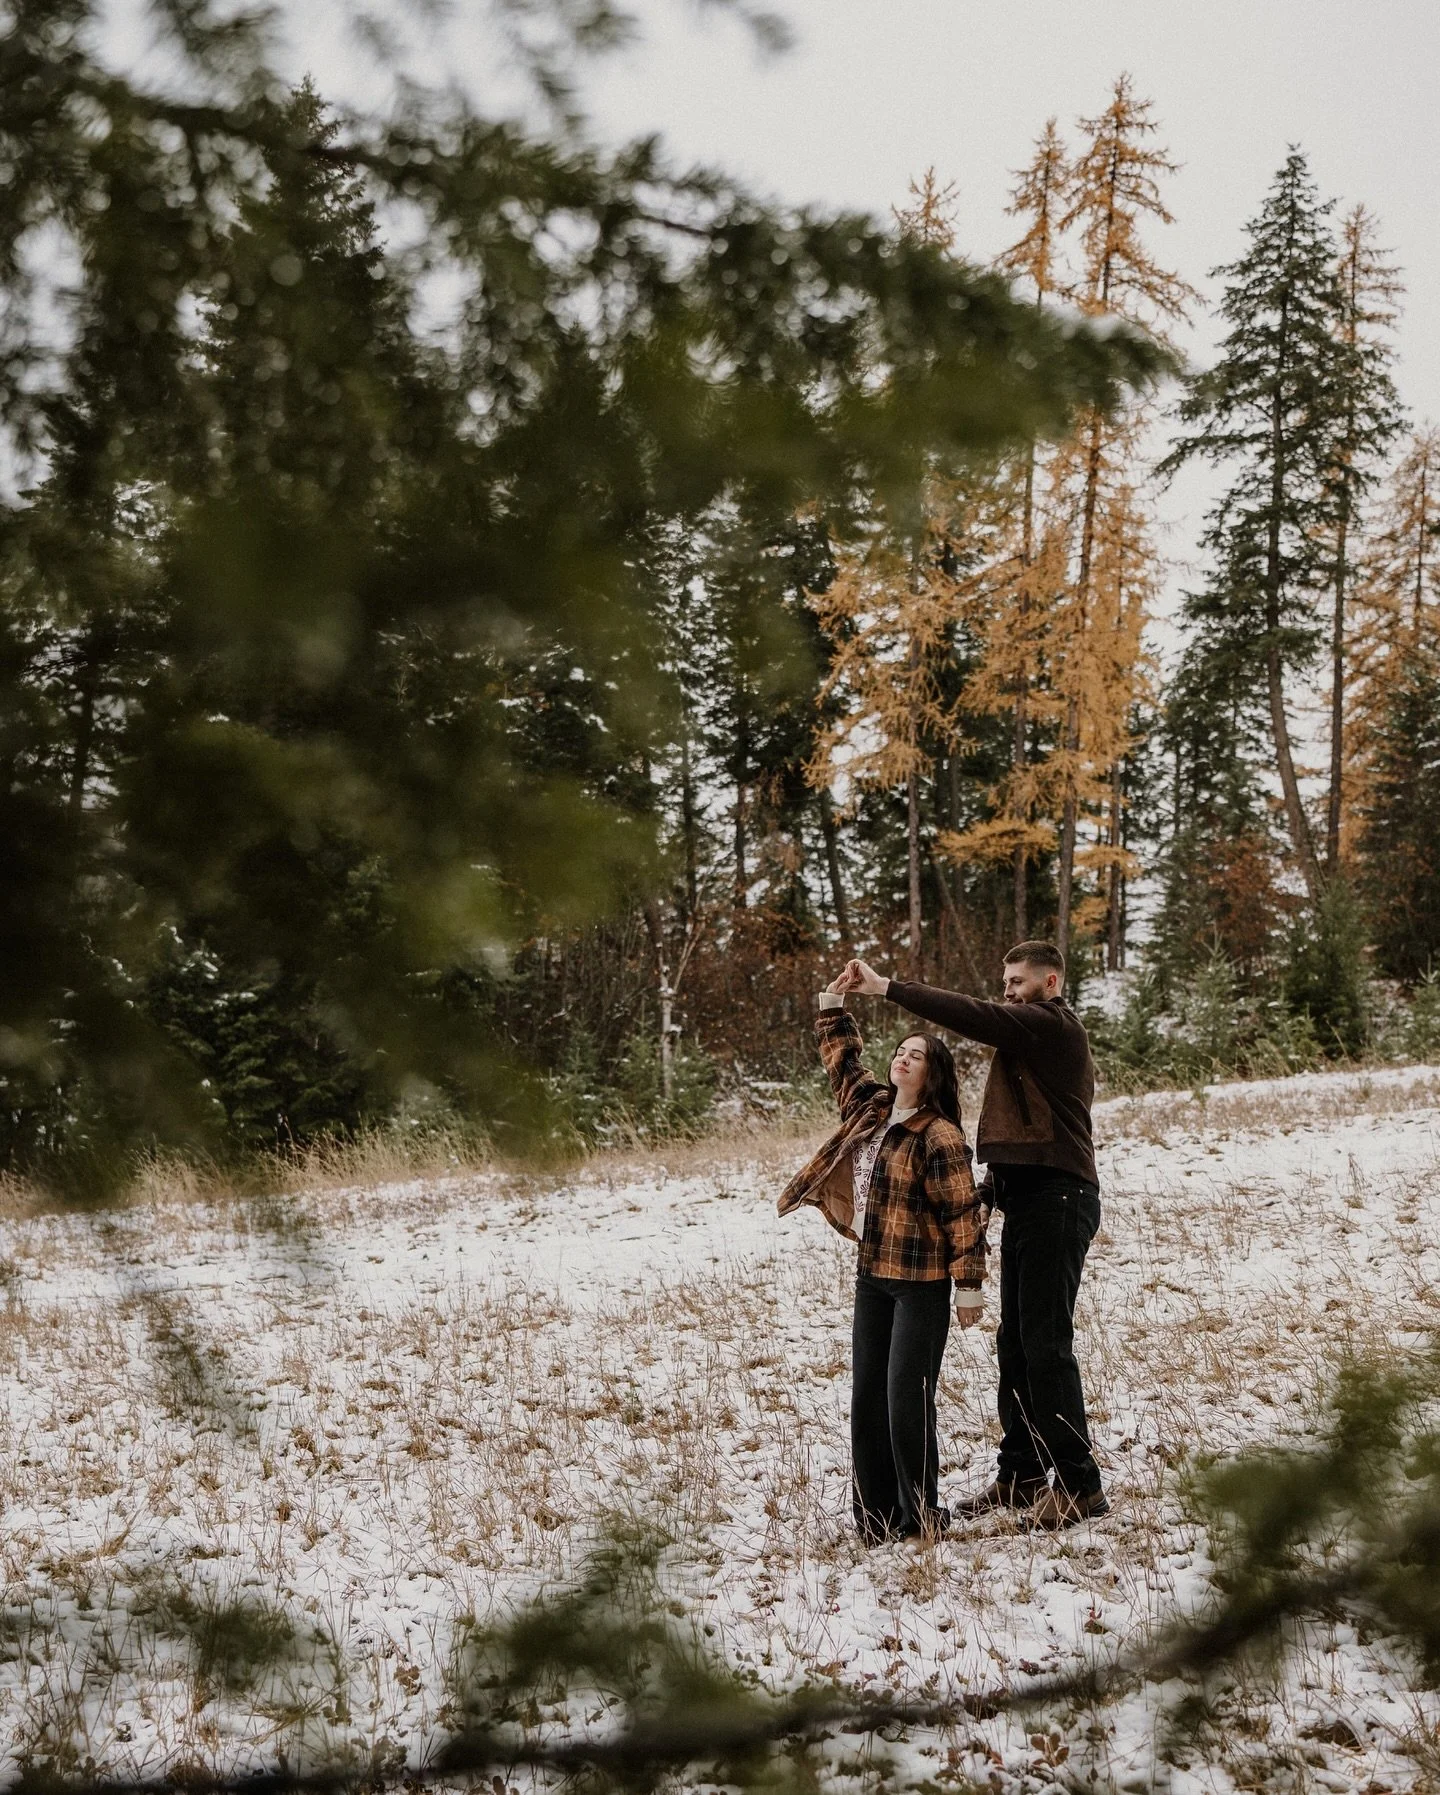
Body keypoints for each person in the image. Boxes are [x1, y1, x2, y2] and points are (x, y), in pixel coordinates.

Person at [834, 942, 1109, 1530]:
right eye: (1005, 981)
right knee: (1016, 1345)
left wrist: (888, 988)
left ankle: (1081, 1486)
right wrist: (982, 1190)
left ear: (1050, 982)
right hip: (1030, 1199)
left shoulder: (1052, 1026)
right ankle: (1022, 1475)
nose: (1008, 990)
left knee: (1044, 1347)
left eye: (1018, 981)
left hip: (1059, 1202)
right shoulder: (1028, 1040)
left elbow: (975, 1016)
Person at [777, 971, 986, 1544]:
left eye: (915, 1055)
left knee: (906, 1402)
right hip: (872, 1276)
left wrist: (968, 1285)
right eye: (899, 1051)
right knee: (866, 1398)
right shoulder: (871, 1108)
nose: (902, 1059)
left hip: (920, 1284)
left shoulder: (938, 1135)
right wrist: (831, 1005)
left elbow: (964, 1214)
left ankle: (920, 1516)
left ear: (933, 1071)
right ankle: (875, 1522)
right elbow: (843, 1062)